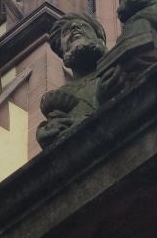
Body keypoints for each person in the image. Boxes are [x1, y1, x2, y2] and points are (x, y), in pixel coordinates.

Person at [37, 14, 107, 148]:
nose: (75, 27)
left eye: (84, 26)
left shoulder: (114, 70)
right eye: (66, 31)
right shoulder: (60, 97)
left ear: (98, 39)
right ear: (62, 50)